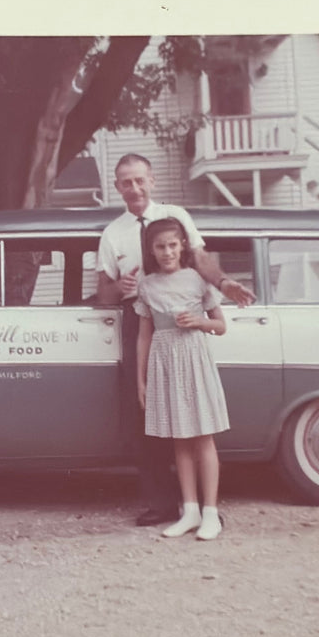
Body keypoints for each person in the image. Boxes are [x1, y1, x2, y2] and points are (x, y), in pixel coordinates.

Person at [96, 153, 255, 526]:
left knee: (196, 422)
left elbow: (201, 261)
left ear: (151, 181)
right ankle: (165, 502)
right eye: (125, 182)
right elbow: (102, 293)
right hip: (143, 319)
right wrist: (121, 287)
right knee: (147, 412)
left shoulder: (177, 217)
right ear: (118, 187)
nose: (133, 188)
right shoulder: (113, 232)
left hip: (188, 323)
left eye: (139, 180)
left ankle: (203, 507)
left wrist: (226, 284)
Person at [135, 219, 230, 539]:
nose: (167, 252)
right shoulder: (146, 285)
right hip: (164, 360)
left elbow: (221, 326)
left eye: (172, 245)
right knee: (179, 438)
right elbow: (144, 336)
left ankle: (210, 513)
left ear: (182, 247)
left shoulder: (196, 280)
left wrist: (199, 322)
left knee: (202, 435)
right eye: (160, 246)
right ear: (151, 250)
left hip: (193, 357)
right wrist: (141, 379)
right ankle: (189, 510)